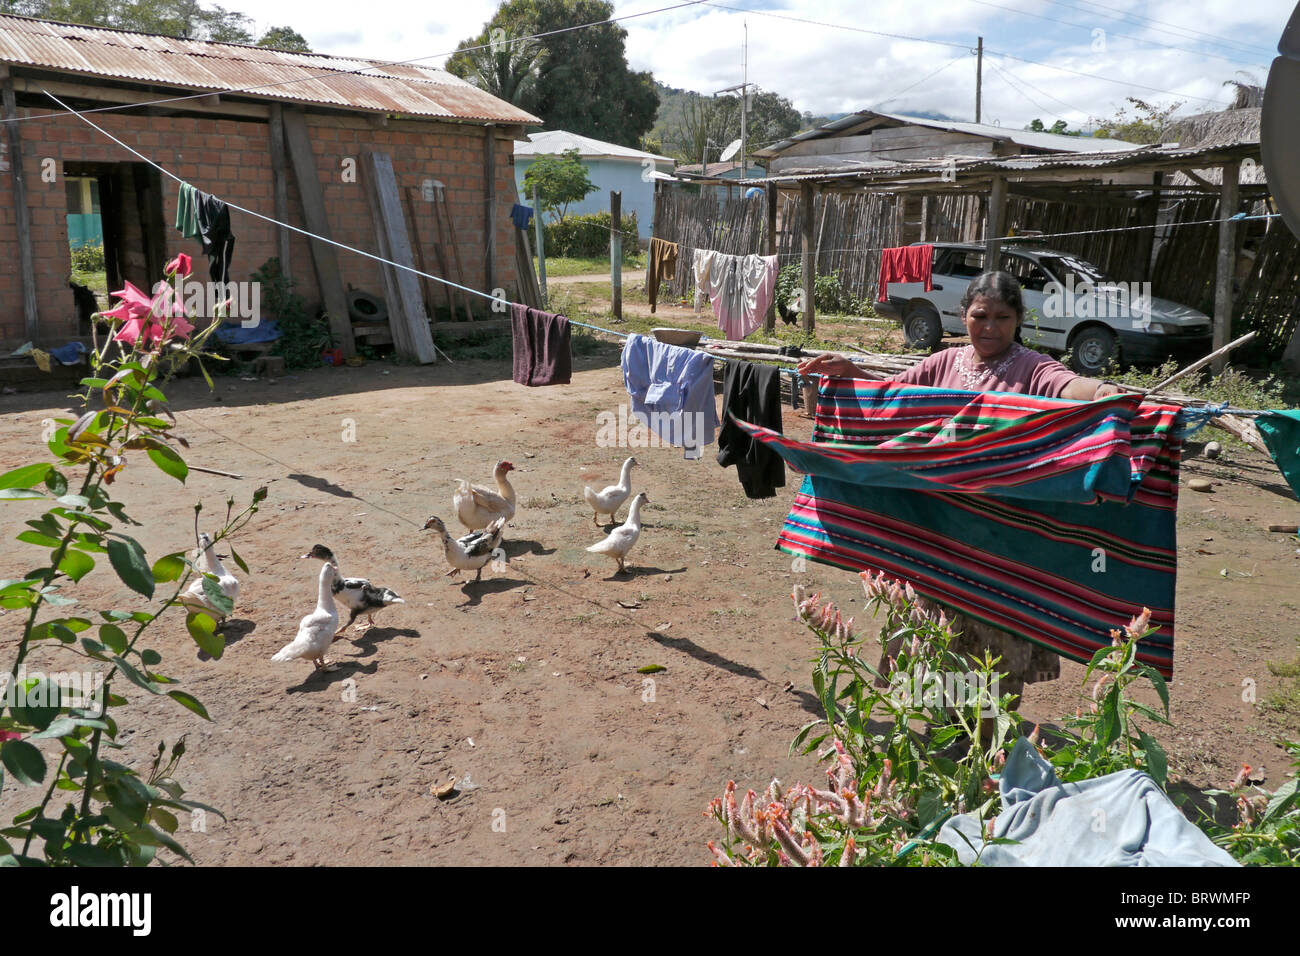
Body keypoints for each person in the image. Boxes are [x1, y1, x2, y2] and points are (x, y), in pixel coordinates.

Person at [795, 271, 1133, 718]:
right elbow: (894, 399)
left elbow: (1067, 386)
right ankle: (931, 725)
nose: (989, 327)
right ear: (963, 315)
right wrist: (851, 373)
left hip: (1000, 537)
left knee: (991, 636)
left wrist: (1102, 390)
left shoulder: (1031, 367)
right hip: (934, 530)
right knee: (927, 629)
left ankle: (984, 741)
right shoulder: (943, 363)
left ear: (1018, 321)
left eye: (1002, 317)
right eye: (980, 316)